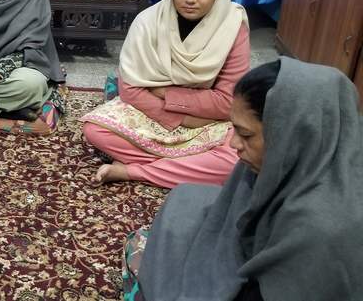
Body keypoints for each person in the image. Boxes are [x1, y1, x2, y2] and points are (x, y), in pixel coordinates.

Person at [122, 58, 363, 301]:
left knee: (166, 255)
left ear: (293, 135)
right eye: (234, 129)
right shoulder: (312, 151)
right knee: (185, 199)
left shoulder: (321, 229)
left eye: (246, 134)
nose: (234, 144)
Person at [80, 0, 250, 188]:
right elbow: (130, 89)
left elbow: (228, 102)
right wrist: (181, 119)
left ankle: (134, 171)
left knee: (237, 161)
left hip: (211, 122)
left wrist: (166, 93)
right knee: (95, 130)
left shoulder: (233, 26)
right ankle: (191, 167)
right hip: (160, 115)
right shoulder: (148, 22)